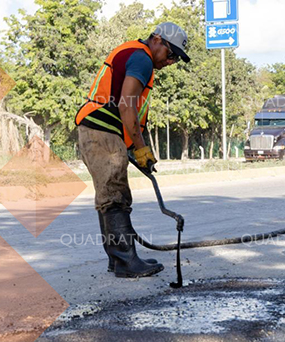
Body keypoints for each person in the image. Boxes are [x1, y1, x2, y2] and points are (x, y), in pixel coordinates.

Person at [75, 22, 190, 278]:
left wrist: (133, 148)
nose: (171, 62)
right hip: (101, 130)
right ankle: (126, 262)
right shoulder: (143, 59)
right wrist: (140, 149)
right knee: (115, 195)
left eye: (176, 60)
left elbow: (126, 111)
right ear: (157, 40)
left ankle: (118, 260)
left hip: (99, 130)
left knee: (109, 195)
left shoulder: (136, 55)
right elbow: (127, 107)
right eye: (171, 54)